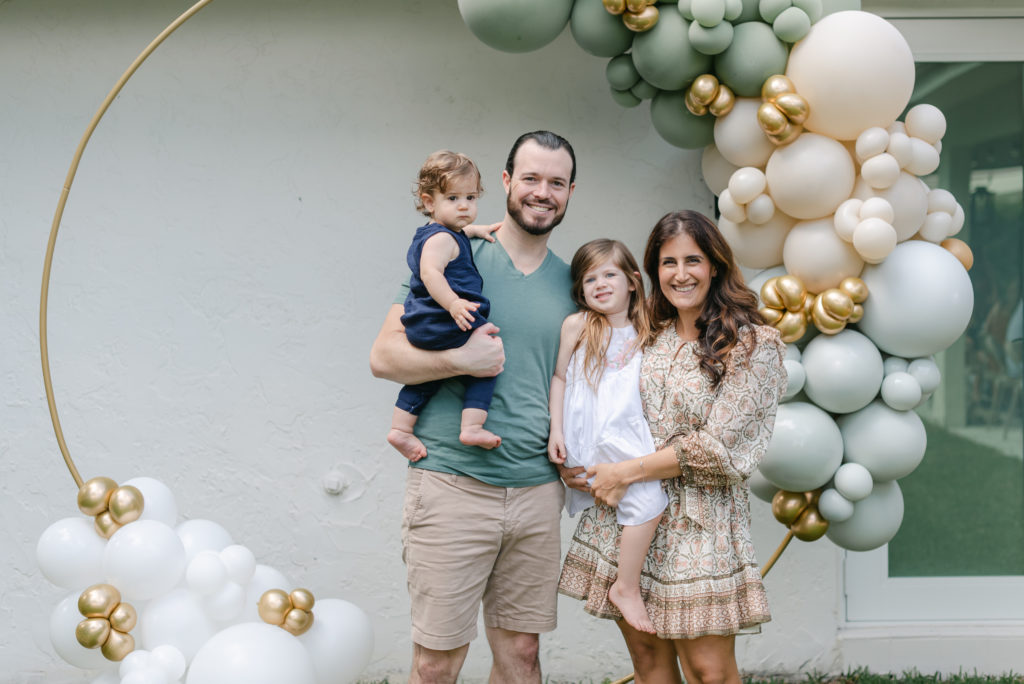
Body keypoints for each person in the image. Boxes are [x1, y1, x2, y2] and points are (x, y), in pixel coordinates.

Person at [370, 131, 582, 684]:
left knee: (523, 658)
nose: (543, 192)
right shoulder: (454, 253)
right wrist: (463, 358)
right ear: (508, 182)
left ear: (569, 192)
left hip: (537, 492)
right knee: (438, 662)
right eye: (531, 178)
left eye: (555, 182)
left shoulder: (573, 284)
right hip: (452, 485)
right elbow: (384, 356)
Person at [558, 210, 787, 684]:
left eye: (693, 260)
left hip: (700, 523)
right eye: (668, 263)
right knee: (649, 665)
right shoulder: (647, 335)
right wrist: (577, 461)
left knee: (709, 671)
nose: (680, 274)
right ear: (652, 272)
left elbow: (715, 447)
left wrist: (625, 472)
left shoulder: (751, 344)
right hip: (631, 518)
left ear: (716, 266)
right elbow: (595, 398)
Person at [547, 238, 667, 635]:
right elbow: (561, 377)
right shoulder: (579, 324)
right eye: (588, 279)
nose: (599, 284)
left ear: (633, 281)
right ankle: (625, 587)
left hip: (628, 433)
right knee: (649, 498)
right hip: (594, 434)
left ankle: (626, 582)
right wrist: (556, 431)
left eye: (609, 274)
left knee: (644, 498)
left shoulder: (648, 326)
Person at [387, 150, 502, 463]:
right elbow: (430, 273)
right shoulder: (441, 240)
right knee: (488, 358)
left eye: (471, 197)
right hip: (444, 318)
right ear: (429, 202)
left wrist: (474, 231)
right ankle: (472, 426)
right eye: (452, 198)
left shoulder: (442, 233)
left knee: (425, 378)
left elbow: (457, 235)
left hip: (427, 324)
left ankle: (400, 428)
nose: (464, 205)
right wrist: (453, 304)